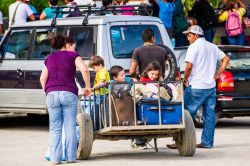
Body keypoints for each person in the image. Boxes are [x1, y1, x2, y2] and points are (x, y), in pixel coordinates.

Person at [167, 25, 230, 149]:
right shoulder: (212, 46)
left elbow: (189, 66)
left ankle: (180, 141)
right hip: (210, 87)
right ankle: (207, 142)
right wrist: (218, 74)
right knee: (209, 115)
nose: (188, 38)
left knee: (186, 114)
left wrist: (185, 80)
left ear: (196, 36)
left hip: (196, 86)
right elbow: (226, 59)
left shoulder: (193, 47)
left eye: (189, 35)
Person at [40, 35, 91, 164]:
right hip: (68, 92)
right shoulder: (73, 56)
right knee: (69, 126)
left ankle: (55, 159)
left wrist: (47, 91)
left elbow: (42, 78)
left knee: (55, 127)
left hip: (51, 93)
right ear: (68, 44)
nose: (75, 48)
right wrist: (87, 87)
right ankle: (70, 157)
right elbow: (84, 70)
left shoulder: (49, 58)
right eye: (74, 46)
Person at [88, 55, 110, 130]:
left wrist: (92, 88)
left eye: (94, 68)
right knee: (97, 109)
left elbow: (102, 81)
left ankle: (97, 126)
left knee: (98, 110)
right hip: (99, 94)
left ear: (100, 65)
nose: (94, 70)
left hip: (102, 94)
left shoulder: (102, 71)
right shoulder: (100, 71)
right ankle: (97, 125)